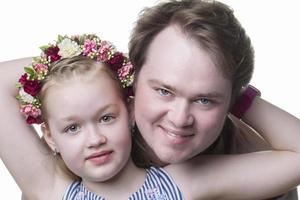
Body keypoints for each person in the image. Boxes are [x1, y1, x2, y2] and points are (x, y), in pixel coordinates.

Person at [1, 0, 300, 199]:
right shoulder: (51, 187)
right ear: (131, 91)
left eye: (205, 99)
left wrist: (236, 92)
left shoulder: (184, 181)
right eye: (164, 90)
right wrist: (100, 70)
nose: (180, 117)